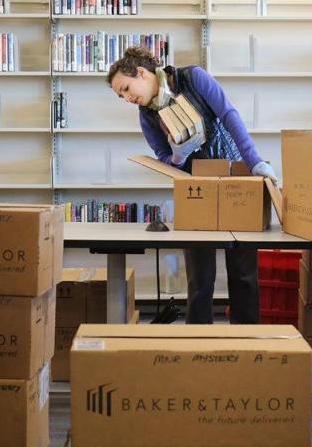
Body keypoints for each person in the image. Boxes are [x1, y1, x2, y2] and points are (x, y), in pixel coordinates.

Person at [107, 45, 277, 324]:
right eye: (120, 95)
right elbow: (164, 159)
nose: (126, 98)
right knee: (200, 279)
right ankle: (197, 346)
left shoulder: (193, 78)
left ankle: (248, 345)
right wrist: (177, 156)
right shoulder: (147, 114)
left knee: (244, 275)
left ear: (140, 72)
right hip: (196, 189)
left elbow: (229, 115)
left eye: (126, 88)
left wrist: (254, 161)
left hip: (236, 177)